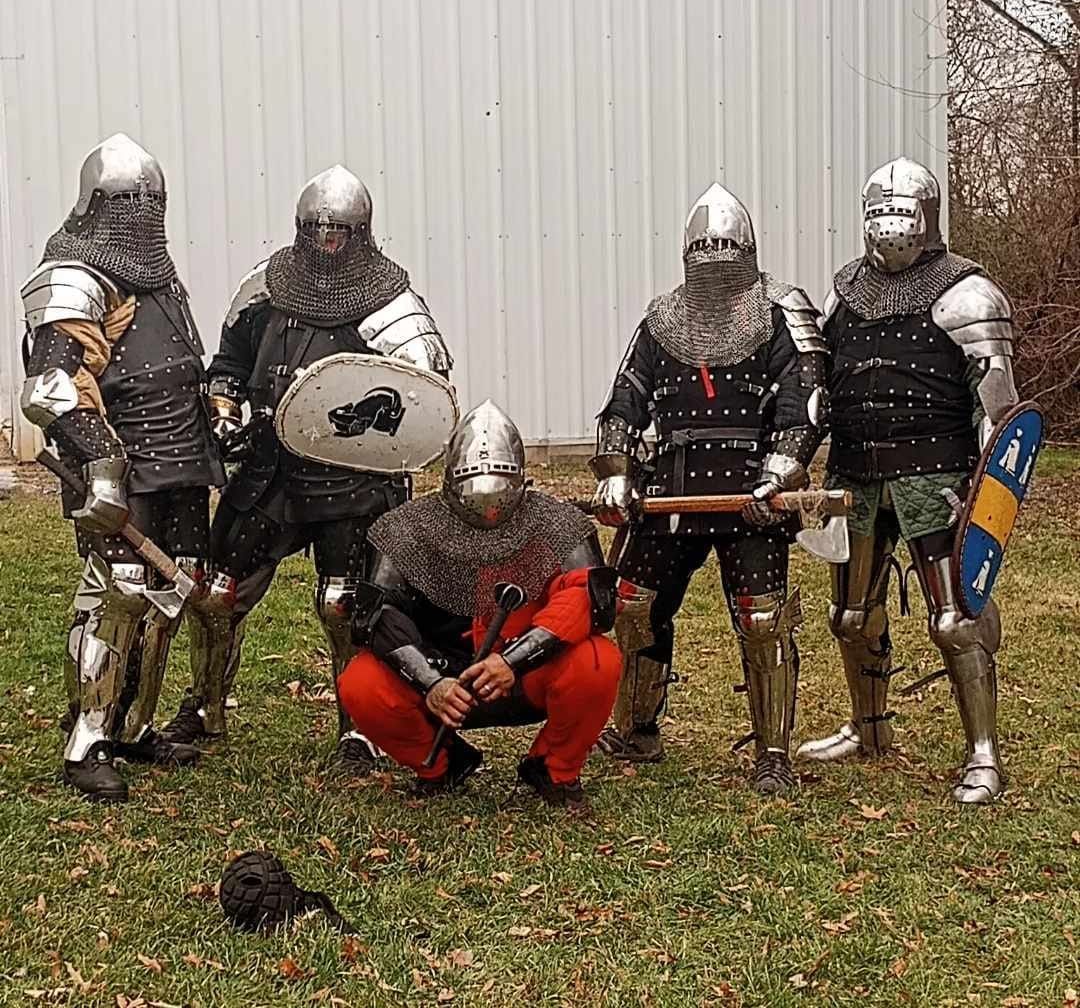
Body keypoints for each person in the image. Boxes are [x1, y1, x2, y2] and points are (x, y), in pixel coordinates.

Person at [161, 165, 452, 777]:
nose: (327, 242)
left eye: (340, 231)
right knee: (217, 594)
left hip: (353, 483)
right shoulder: (264, 289)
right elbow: (227, 366)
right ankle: (205, 706)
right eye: (316, 230)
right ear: (300, 229)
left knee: (345, 604)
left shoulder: (391, 305)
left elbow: (424, 394)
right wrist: (224, 410)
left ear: (361, 233)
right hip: (269, 471)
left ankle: (360, 729)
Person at [589, 183, 828, 795]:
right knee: (633, 605)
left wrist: (778, 473)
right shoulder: (663, 318)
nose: (715, 256)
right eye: (706, 246)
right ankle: (638, 729)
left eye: (724, 245)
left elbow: (805, 402)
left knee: (763, 619)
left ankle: (773, 751)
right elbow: (625, 399)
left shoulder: (781, 309)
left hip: (752, 494)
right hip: (669, 489)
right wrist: (616, 471)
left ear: (746, 249)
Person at [795, 157, 1017, 805]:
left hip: (936, 476)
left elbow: (999, 412)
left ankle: (983, 754)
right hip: (858, 475)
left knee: (956, 620)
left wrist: (983, 492)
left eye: (902, 215)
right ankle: (868, 731)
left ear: (929, 218)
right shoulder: (845, 290)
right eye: (879, 214)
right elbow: (823, 384)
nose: (889, 228)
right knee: (848, 616)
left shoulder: (968, 292)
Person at [19, 133, 223, 801]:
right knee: (119, 594)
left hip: (183, 464)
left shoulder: (161, 277)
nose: (142, 214)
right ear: (97, 205)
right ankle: (88, 740)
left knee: (172, 595)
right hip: (123, 462)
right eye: (128, 202)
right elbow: (50, 387)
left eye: (151, 202)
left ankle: (136, 726)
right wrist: (102, 464)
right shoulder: (73, 276)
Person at [338, 401, 621, 809]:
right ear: (451, 483)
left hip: (526, 673)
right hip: (439, 675)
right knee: (361, 682)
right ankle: (441, 766)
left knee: (597, 661)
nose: (488, 509)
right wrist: (431, 683)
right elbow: (375, 615)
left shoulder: (556, 524)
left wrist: (513, 662)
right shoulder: (406, 529)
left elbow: (590, 601)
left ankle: (553, 768)